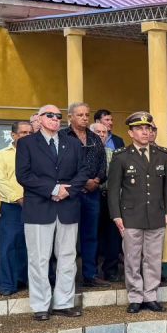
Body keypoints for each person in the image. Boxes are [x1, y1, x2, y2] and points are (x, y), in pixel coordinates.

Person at [16, 104, 90, 320]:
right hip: (39, 208)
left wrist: (68, 191)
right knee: (38, 259)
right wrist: (53, 189)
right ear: (39, 119)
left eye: (58, 116)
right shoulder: (27, 143)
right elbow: (23, 175)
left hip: (67, 207)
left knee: (67, 258)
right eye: (50, 115)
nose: (55, 119)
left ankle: (63, 303)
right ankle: (40, 305)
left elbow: (83, 171)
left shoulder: (72, 143)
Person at [107, 112, 167, 314]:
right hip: (131, 215)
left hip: (156, 214)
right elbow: (113, 189)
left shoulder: (162, 154)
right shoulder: (121, 156)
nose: (145, 132)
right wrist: (116, 216)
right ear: (130, 133)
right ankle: (135, 296)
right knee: (132, 258)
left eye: (148, 128)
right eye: (139, 129)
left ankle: (150, 296)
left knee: (153, 258)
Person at [63, 102, 108, 287]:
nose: (84, 118)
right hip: (70, 194)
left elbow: (103, 163)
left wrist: (97, 180)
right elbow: (61, 165)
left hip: (92, 194)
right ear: (70, 117)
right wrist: (81, 183)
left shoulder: (95, 138)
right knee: (67, 238)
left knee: (90, 235)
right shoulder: (62, 136)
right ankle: (67, 278)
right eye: (80, 115)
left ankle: (90, 275)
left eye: (87, 115)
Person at [0, 120, 32, 296]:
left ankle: (23, 280)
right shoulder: (1, 155)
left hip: (35, 205)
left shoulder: (36, 155)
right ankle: (7, 284)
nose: (27, 136)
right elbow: (0, 181)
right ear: (13, 135)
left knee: (29, 245)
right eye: (23, 133)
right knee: (9, 245)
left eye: (30, 133)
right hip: (11, 206)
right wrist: (18, 198)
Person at [90, 121, 123, 279]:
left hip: (111, 197)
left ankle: (111, 270)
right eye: (98, 132)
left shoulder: (114, 154)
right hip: (91, 196)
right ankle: (91, 273)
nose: (102, 135)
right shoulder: (84, 152)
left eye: (105, 133)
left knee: (113, 236)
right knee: (92, 234)